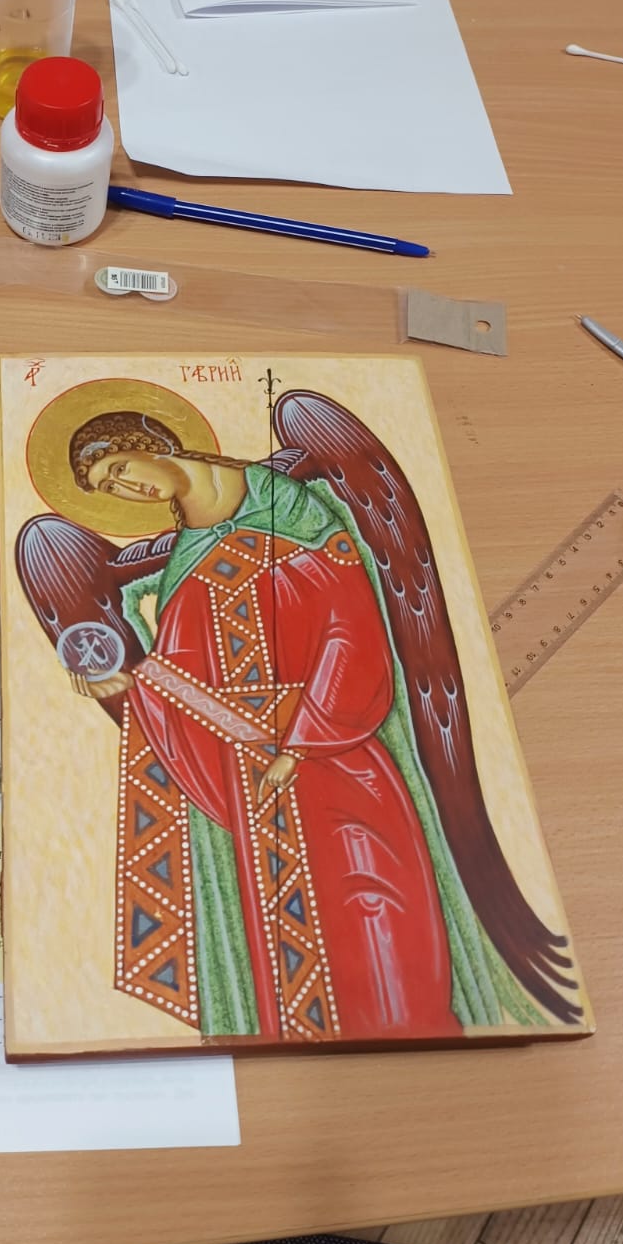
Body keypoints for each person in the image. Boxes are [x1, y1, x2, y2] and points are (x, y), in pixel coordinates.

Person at [61, 409, 462, 1044]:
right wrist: (131, 683)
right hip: (255, 782)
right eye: (110, 488)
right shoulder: (185, 557)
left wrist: (300, 745)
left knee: (372, 900)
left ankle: (410, 1033)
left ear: (150, 444)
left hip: (335, 754)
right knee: (292, 946)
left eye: (120, 468)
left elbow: (351, 626)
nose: (127, 488)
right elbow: (187, 682)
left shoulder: (288, 508)